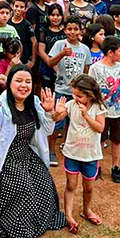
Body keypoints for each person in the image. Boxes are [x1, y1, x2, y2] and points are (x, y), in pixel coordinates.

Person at [0, 66, 68, 238]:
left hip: (25, 155)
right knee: (21, 186)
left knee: (44, 183)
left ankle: (36, 221)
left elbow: (46, 131)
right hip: (2, 159)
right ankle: (18, 228)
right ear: (9, 83)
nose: (23, 85)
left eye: (28, 81)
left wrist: (49, 114)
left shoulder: (34, 103)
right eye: (18, 81)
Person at [61, 75, 106, 232]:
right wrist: (54, 112)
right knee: (71, 185)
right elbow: (56, 117)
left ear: (90, 95)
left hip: (90, 155)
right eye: (73, 94)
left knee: (89, 187)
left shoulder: (98, 107)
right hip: (72, 153)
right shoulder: (71, 105)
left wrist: (86, 115)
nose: (75, 98)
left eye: (79, 96)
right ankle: (69, 216)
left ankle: (87, 210)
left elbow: (100, 128)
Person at [46, 16, 91, 165]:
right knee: (58, 120)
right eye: (69, 29)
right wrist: (61, 54)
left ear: (81, 31)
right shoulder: (60, 44)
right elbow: (50, 62)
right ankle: (51, 149)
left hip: (77, 93)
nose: (72, 32)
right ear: (65, 30)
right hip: (61, 89)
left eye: (76, 29)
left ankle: (66, 145)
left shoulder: (84, 49)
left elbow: (86, 69)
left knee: (73, 121)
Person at [89, 36, 120, 183]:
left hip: (119, 112)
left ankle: (115, 166)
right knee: (99, 139)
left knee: (117, 140)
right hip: (101, 112)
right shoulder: (95, 68)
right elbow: (91, 90)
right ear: (110, 52)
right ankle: (97, 166)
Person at [37, 4, 67, 92]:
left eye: (58, 15)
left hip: (64, 66)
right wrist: (51, 62)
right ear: (48, 16)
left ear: (62, 16)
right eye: (53, 15)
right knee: (48, 92)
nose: (55, 18)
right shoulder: (44, 31)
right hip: (47, 67)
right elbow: (41, 51)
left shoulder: (65, 31)